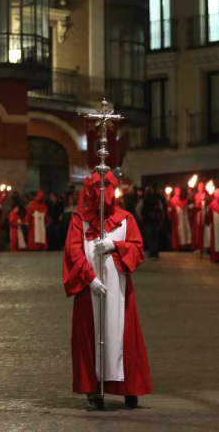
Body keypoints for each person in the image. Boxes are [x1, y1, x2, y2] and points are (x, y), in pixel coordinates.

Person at [62, 172, 151, 411]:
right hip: (88, 289)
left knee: (123, 336)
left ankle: (128, 388)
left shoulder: (126, 219)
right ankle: (94, 390)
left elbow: (137, 249)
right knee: (90, 338)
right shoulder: (79, 220)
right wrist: (89, 279)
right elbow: (74, 251)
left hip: (119, 288)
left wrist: (115, 245)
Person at [140, 187, 165, 260]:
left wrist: (142, 218)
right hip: (156, 221)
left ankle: (151, 253)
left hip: (148, 221)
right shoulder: (157, 200)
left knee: (149, 238)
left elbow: (138, 209)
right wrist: (161, 220)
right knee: (155, 237)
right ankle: (156, 253)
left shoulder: (144, 200)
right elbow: (161, 210)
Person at [192, 182, 209, 252]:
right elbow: (196, 204)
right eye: (199, 187)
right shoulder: (196, 195)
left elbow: (207, 203)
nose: (200, 188)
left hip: (204, 213)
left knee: (205, 230)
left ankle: (205, 246)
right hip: (198, 214)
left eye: (201, 187)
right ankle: (199, 246)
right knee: (198, 230)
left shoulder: (206, 195)